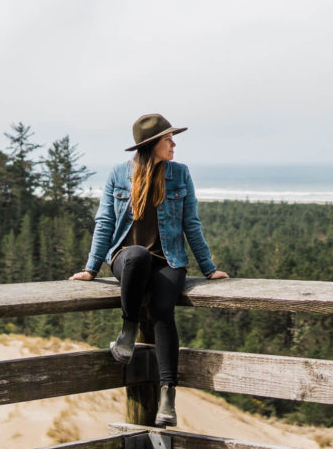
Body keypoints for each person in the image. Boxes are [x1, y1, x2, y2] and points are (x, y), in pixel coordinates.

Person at [69, 113, 228, 427]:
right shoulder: (118, 174)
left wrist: (209, 269)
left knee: (163, 310)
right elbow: (104, 224)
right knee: (138, 255)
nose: (174, 144)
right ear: (153, 144)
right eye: (168, 139)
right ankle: (128, 329)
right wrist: (91, 268)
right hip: (126, 260)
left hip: (169, 259)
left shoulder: (180, 174)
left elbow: (191, 224)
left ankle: (167, 396)